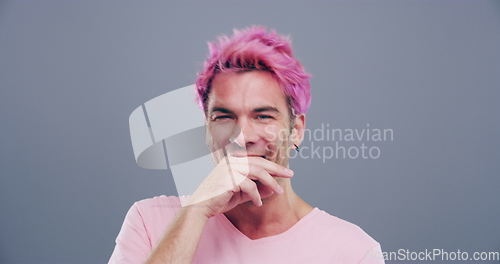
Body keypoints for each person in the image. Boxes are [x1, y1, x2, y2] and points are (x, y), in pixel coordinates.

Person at [109, 25, 385, 264]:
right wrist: (196, 210)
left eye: (263, 116)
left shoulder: (353, 251)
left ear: (297, 130)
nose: (242, 136)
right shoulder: (148, 220)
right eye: (224, 117)